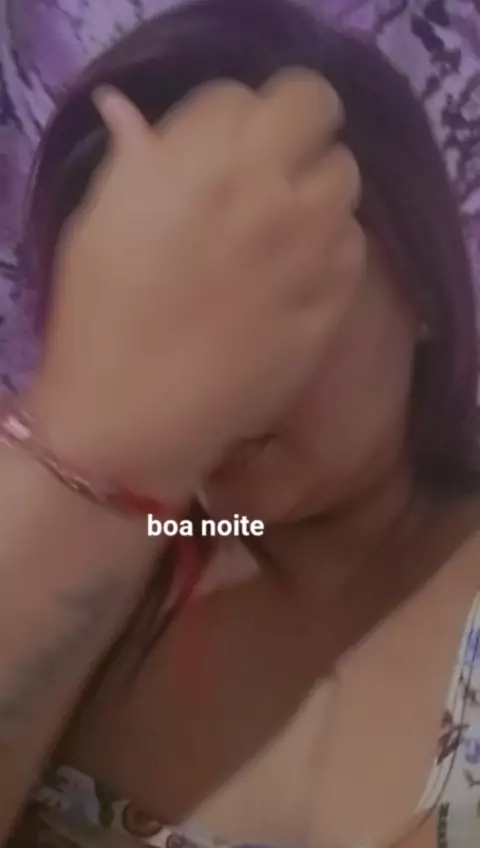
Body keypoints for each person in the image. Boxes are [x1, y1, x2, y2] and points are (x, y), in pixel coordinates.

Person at [2, 0, 480, 846]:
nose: (215, 371)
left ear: (422, 290)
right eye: (145, 306)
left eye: (271, 285)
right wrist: (90, 450)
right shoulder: (92, 549)